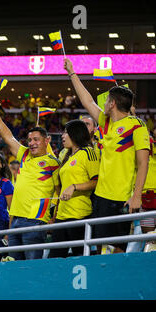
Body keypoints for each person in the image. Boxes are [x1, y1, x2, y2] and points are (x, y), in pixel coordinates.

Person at [64, 58, 150, 254]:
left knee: (118, 248)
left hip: (121, 197)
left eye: (106, 100)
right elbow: (87, 101)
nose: (103, 102)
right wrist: (72, 73)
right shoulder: (105, 122)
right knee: (100, 247)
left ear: (112, 103)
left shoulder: (137, 126)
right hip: (101, 196)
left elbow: (143, 163)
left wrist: (136, 195)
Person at [0, 96, 61, 260]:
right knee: (15, 269)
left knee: (32, 269)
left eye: (36, 139)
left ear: (47, 140)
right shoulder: (24, 155)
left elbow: (60, 190)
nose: (32, 143)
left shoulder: (53, 163)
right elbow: (7, 136)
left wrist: (54, 217)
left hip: (35, 221)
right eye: (29, 140)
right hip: (15, 222)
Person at [49, 120, 100, 258]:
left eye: (66, 132)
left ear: (75, 134)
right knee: (54, 259)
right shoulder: (67, 157)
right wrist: (55, 214)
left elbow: (96, 182)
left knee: (81, 258)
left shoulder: (88, 152)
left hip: (79, 215)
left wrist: (74, 187)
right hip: (61, 217)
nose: (62, 136)